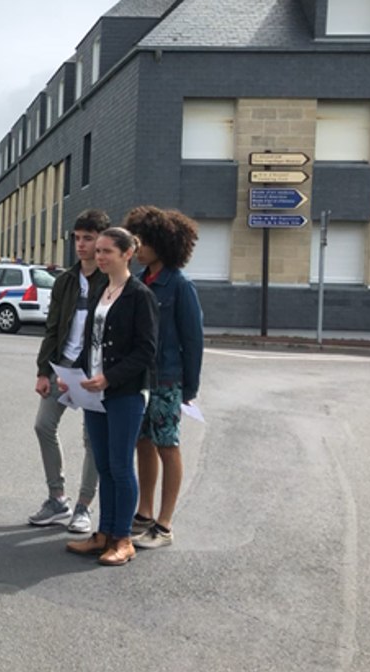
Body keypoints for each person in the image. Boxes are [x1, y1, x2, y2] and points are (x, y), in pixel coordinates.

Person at [62, 227, 158, 566]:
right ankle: (103, 533)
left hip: (124, 393)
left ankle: (123, 539)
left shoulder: (139, 295)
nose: (99, 256)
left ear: (126, 254)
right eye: (98, 251)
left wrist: (109, 378)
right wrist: (72, 376)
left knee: (120, 465)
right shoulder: (101, 289)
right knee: (103, 465)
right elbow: (92, 343)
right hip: (94, 393)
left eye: (107, 252)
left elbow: (146, 351)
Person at [123, 206, 204, 551]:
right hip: (140, 378)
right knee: (143, 443)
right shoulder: (140, 281)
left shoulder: (180, 286)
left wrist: (190, 387)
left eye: (143, 241)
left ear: (162, 243)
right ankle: (144, 512)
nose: (137, 247)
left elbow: (193, 339)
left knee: (167, 445)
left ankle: (165, 523)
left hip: (168, 378)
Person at [28, 209, 108, 533]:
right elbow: (52, 328)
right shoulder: (65, 280)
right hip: (62, 368)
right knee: (43, 426)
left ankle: (84, 506)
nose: (81, 244)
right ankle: (57, 498)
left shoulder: (110, 280)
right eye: (77, 238)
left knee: (93, 440)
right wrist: (43, 371)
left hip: (93, 373)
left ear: (101, 240)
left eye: (88, 238)